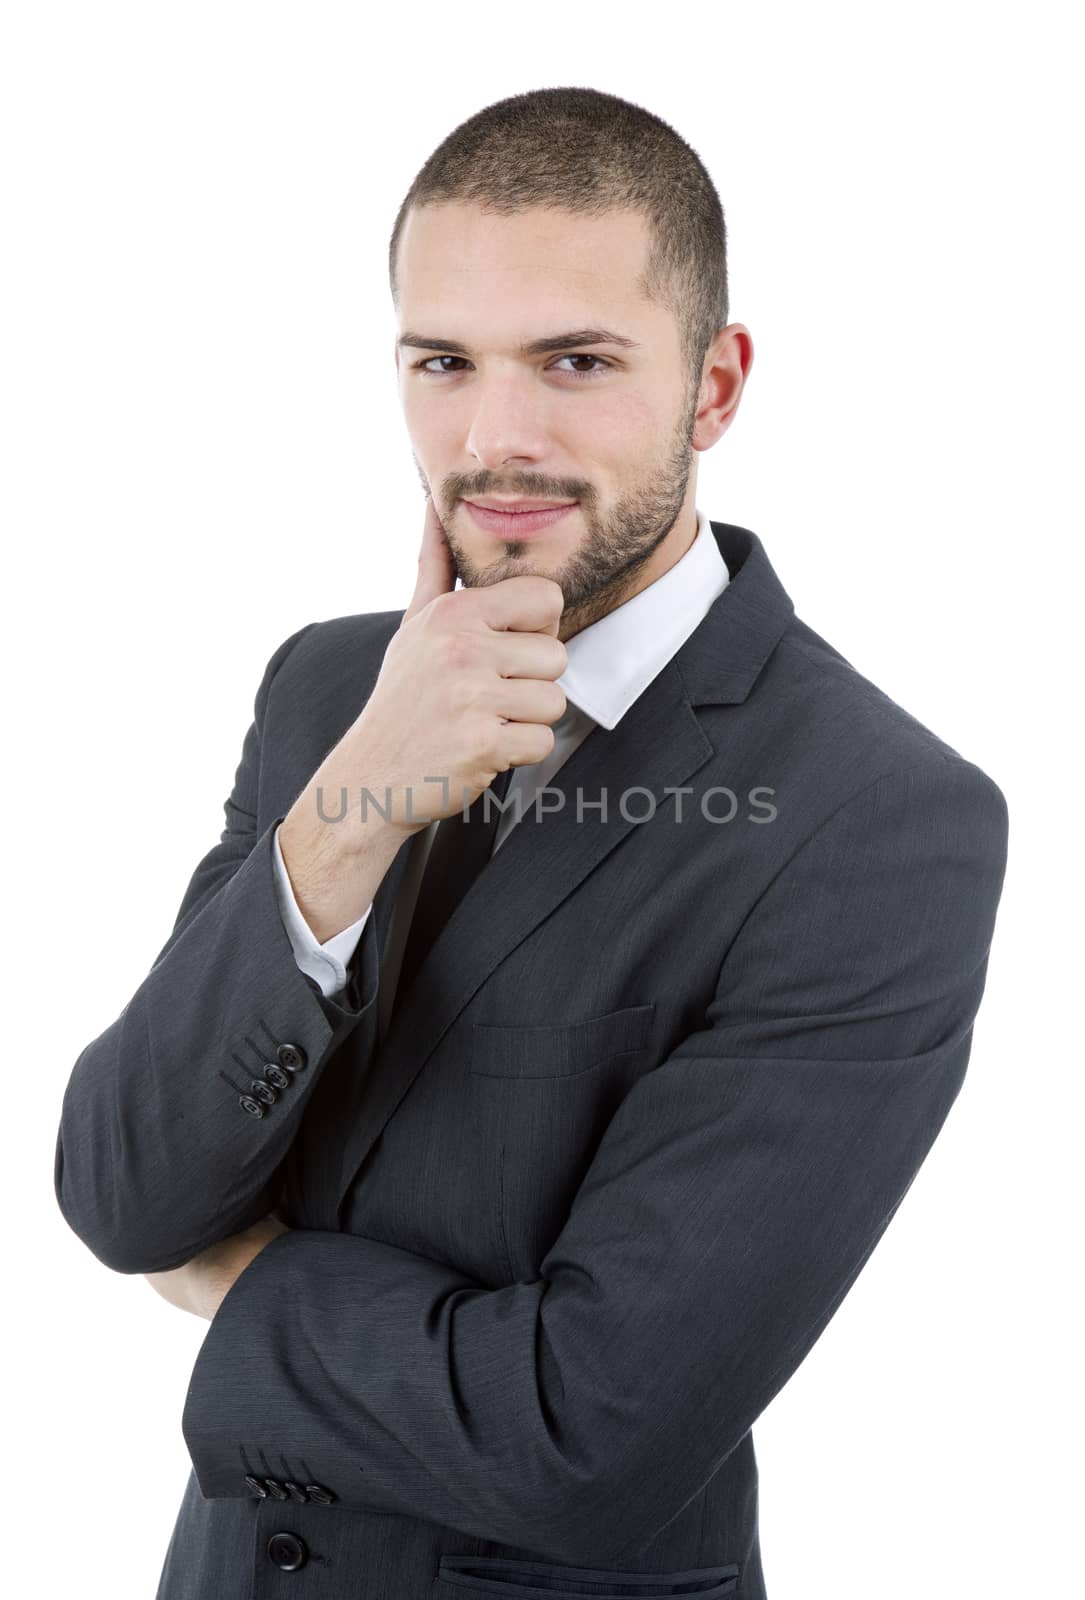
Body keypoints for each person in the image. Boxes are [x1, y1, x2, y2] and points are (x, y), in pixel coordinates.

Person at [54, 86, 1009, 1600]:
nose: (494, 439)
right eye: (444, 362)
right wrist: (357, 796)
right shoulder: (330, 691)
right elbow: (121, 1191)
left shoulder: (880, 820)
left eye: (575, 362)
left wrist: (242, 1289)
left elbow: (589, 1434)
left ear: (712, 387)